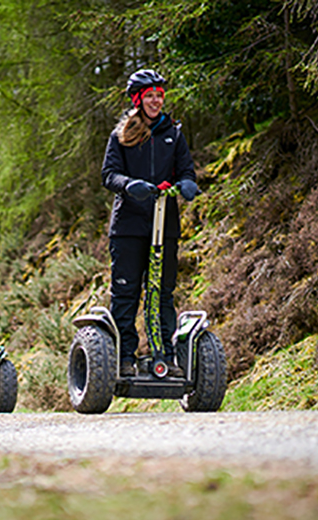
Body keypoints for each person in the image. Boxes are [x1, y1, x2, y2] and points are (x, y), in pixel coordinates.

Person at [101, 69, 200, 378]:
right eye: (150, 96)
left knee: (162, 292)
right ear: (138, 99)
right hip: (129, 226)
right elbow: (109, 175)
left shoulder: (174, 133)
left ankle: (165, 356)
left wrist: (187, 183)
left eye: (160, 95)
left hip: (165, 226)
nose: (156, 100)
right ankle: (125, 358)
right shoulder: (122, 135)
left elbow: (186, 169)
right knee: (127, 292)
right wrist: (129, 185)